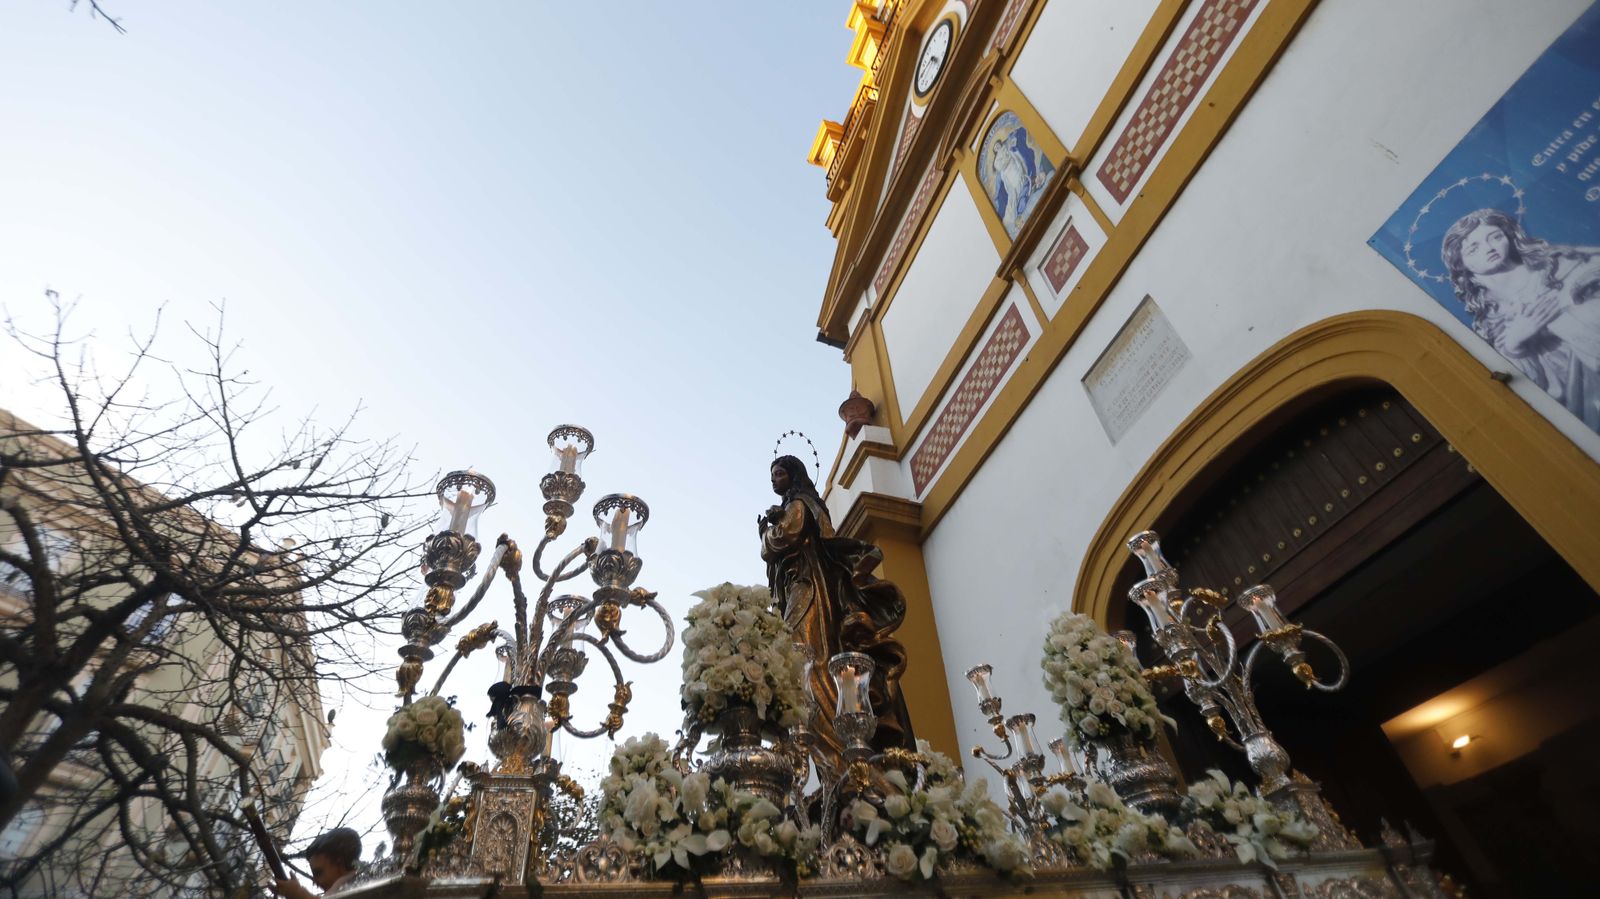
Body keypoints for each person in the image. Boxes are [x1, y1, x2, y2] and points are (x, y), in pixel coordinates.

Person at [760, 455, 915, 774]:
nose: (773, 480)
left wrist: (767, 533)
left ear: (793, 476)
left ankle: (843, 752)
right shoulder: (796, 506)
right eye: (772, 476)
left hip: (809, 589)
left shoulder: (800, 505)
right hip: (802, 586)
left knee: (809, 663)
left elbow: (779, 541)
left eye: (778, 474)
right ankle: (833, 755)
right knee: (803, 667)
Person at [1441, 208, 1600, 431]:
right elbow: (1516, 383)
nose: (1489, 248)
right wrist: (1514, 344)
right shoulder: (1489, 320)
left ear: (1509, 236)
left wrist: (1562, 319)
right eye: (1473, 249)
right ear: (1461, 264)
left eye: (1495, 237)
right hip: (1579, 402)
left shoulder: (1560, 265)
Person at [271, 827, 362, 898]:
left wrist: (297, 893)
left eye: (319, 873)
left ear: (340, 864)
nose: (315, 882)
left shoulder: (350, 883)